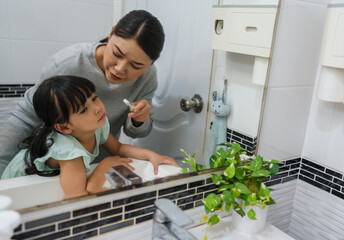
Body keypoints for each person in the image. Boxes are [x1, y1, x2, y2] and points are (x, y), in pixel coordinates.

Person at [0, 9, 165, 175]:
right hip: (54, 168)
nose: (120, 69)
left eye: (136, 66)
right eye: (116, 53)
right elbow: (24, 119)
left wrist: (139, 121)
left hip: (98, 166)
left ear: (150, 64)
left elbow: (134, 134)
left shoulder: (147, 77)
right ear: (110, 33)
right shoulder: (68, 63)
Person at [1, 76, 177, 199]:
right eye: (84, 109)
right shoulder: (69, 153)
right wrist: (102, 168)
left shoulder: (96, 126)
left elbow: (118, 149)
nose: (97, 108)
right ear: (64, 127)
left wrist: (151, 155)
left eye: (94, 98)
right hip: (11, 189)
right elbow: (76, 199)